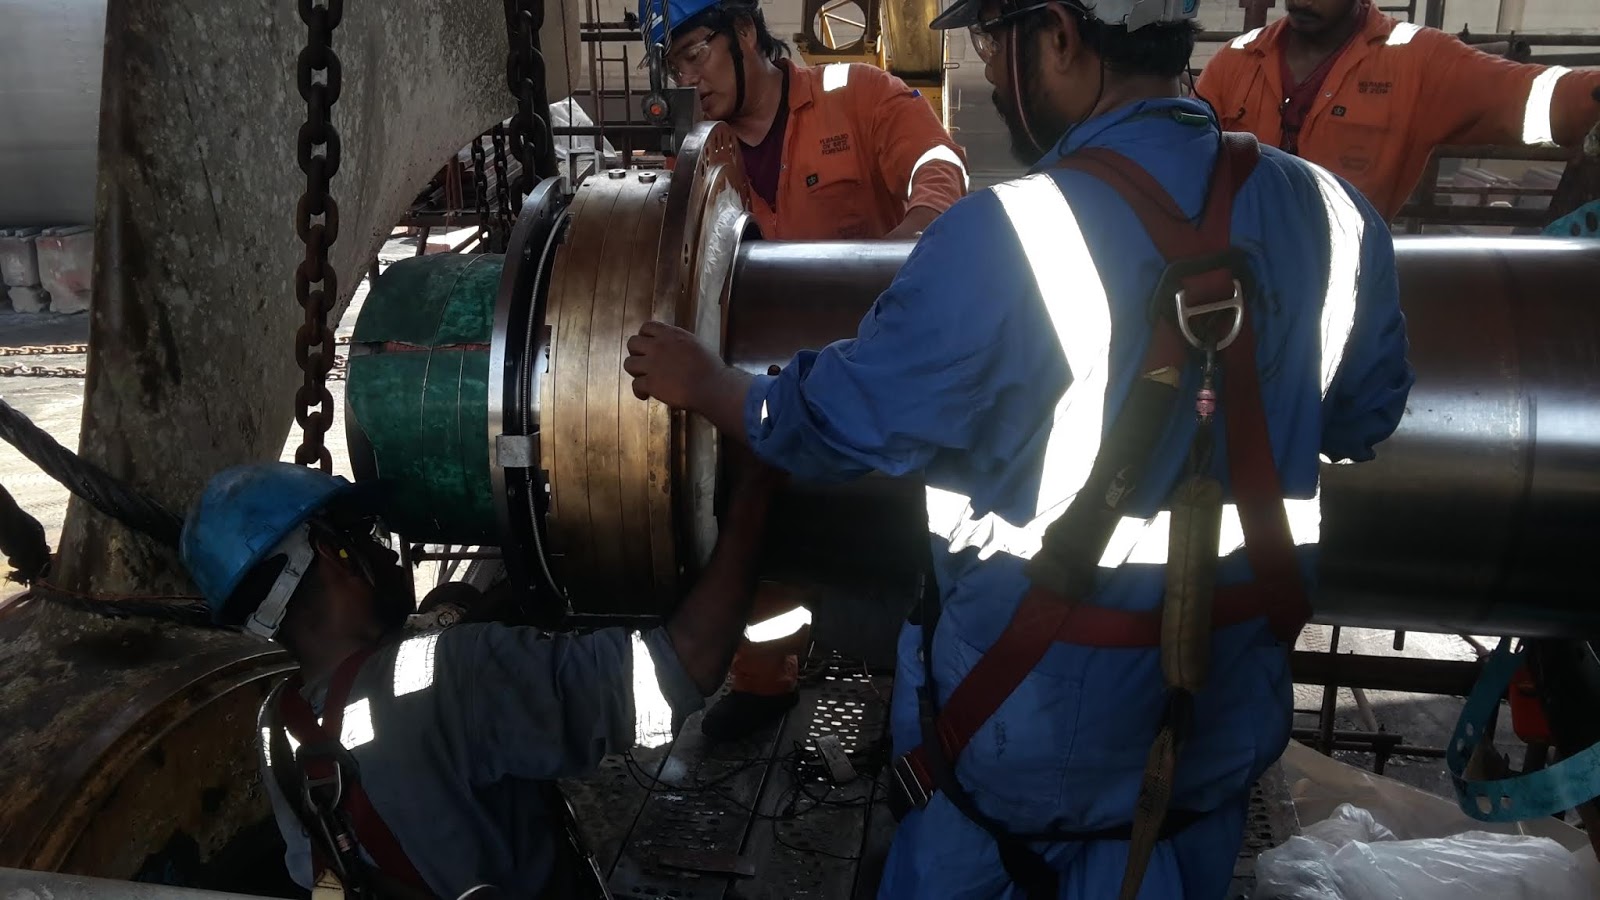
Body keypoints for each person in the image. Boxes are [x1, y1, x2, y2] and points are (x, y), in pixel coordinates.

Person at [623, 0, 1414, 895]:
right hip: (1211, 744)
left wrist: (717, 387)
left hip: (1028, 741)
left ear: (1062, 36)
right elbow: (1362, 416)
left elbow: (848, 422)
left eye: (997, 44)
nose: (994, 73)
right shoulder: (1337, 217)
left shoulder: (1005, 237)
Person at [179, 459, 775, 898]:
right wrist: (756, 491)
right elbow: (683, 666)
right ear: (333, 550)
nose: (388, 555)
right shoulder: (455, 672)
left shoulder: (278, 728)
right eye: (366, 536)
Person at [640, 0, 971, 741]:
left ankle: (925, 697)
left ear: (745, 34)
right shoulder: (707, 162)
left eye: (695, 52)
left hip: (876, 392)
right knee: (759, 526)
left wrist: (906, 253)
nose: (688, 78)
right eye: (675, 65)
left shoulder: (858, 94)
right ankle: (765, 679)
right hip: (760, 402)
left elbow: (938, 165)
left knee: (908, 551)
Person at [1195, 0, 1600, 221]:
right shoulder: (1236, 60)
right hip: (1237, 282)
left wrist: (1592, 95)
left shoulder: (1415, 62)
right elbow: (1189, 166)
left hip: (1346, 288)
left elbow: (1530, 94)